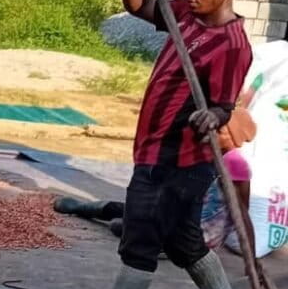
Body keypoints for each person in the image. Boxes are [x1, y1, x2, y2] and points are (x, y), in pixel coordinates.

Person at [53, 0, 253, 289]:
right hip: (155, 149)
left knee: (140, 239)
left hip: (177, 161)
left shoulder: (233, 46)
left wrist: (212, 116)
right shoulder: (185, 16)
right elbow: (138, 5)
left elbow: (224, 106)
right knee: (185, 243)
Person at [54, 108, 257, 256]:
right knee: (132, 209)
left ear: (234, 139)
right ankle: (81, 208)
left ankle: (143, 233)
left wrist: (249, 251)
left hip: (201, 233)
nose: (211, 134)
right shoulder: (208, 156)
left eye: (219, 132)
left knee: (129, 228)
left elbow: (243, 212)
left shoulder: (235, 164)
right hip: (182, 218)